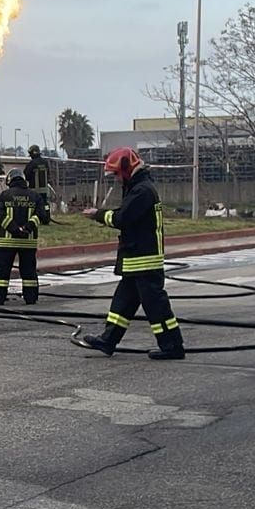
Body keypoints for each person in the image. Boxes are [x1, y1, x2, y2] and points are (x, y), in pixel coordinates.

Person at [71, 147, 184, 360]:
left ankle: (172, 346)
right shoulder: (137, 187)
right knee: (122, 303)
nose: (116, 178)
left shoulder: (142, 191)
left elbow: (123, 218)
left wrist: (98, 215)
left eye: (116, 173)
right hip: (136, 259)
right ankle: (108, 341)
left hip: (144, 260)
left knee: (155, 307)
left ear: (126, 168)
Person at [0, 169, 51, 305]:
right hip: (28, 243)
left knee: (2, 271)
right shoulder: (35, 196)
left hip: (7, 242)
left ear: (9, 181)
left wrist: (14, 229)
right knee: (29, 271)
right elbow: (41, 216)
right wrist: (27, 228)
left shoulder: (4, 196)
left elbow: (0, 215)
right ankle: (31, 298)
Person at [23, 145, 52, 210]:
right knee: (44, 205)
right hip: (45, 191)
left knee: (34, 207)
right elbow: (48, 175)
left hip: (33, 191)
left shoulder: (31, 164)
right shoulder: (45, 163)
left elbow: (26, 176)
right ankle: (46, 215)